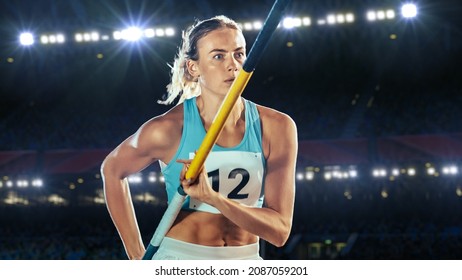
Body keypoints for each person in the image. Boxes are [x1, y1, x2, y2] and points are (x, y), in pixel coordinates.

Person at [101, 15, 298, 260]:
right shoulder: (168, 129)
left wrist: (211, 197)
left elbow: (279, 232)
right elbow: (112, 169)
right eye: (218, 56)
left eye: (239, 54)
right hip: (181, 259)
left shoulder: (277, 127)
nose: (233, 65)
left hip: (246, 259)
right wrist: (136, 255)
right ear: (194, 67)